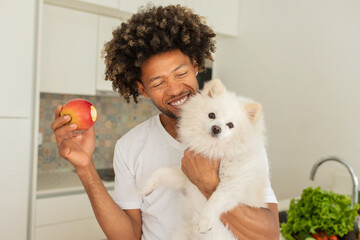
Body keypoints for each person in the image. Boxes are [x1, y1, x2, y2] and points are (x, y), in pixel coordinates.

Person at [51, 4, 280, 240]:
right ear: (143, 90)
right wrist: (84, 167)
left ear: (195, 67)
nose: (174, 90)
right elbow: (127, 236)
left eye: (181, 74)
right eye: (158, 83)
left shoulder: (239, 139)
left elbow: (269, 235)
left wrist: (209, 184)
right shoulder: (130, 146)